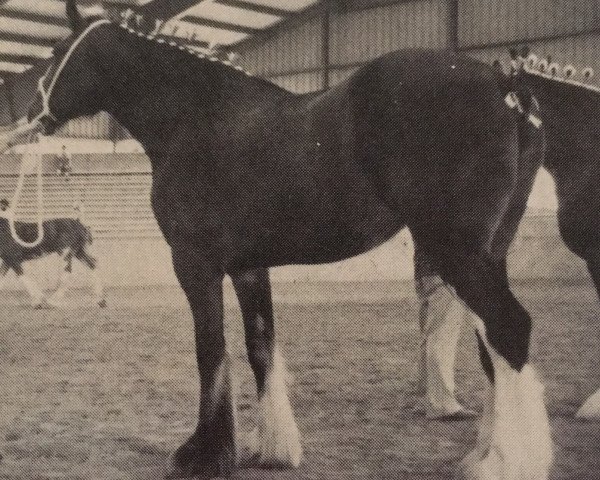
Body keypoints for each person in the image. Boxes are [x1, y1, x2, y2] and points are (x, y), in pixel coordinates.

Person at [413, 242, 477, 420]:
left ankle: (425, 398)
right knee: (442, 336)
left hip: (424, 273)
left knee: (429, 336)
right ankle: (442, 404)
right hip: (445, 272)